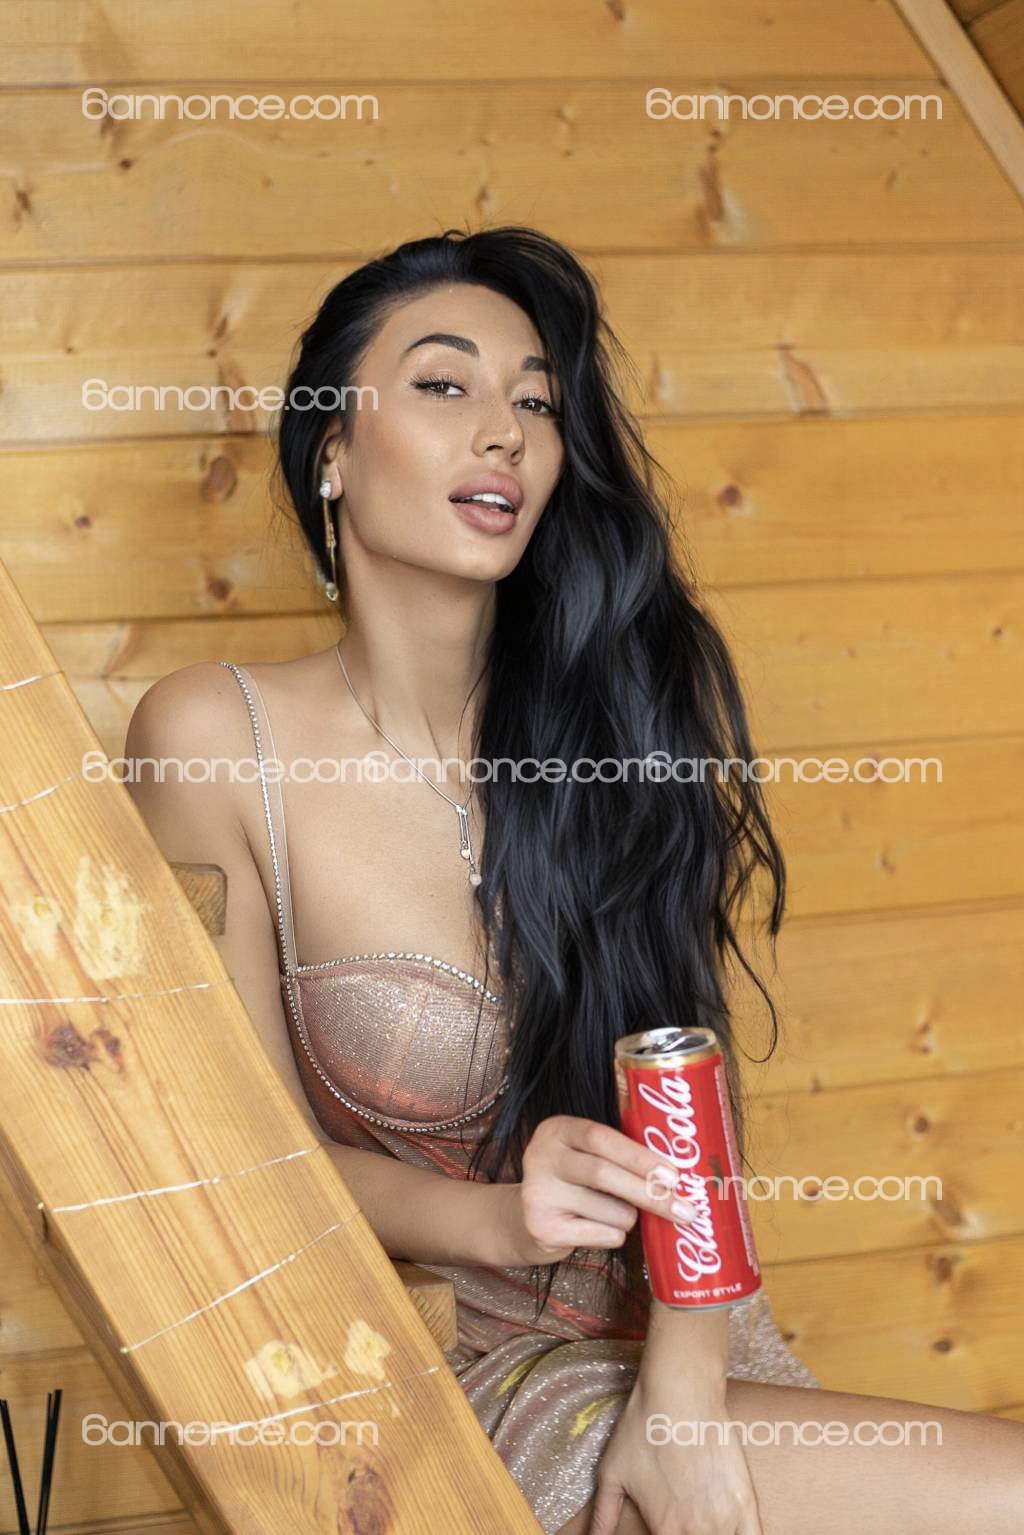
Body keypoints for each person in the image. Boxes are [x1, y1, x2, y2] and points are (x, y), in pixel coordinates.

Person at [126, 226, 1024, 1535]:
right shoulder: (213, 739)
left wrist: (686, 1393)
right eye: (444, 384)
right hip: (448, 1372)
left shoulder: (605, 739)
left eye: (536, 404)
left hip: (681, 1346)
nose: (503, 431)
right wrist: (494, 1220)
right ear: (332, 447)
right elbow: (248, 1163)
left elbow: (687, 1102)